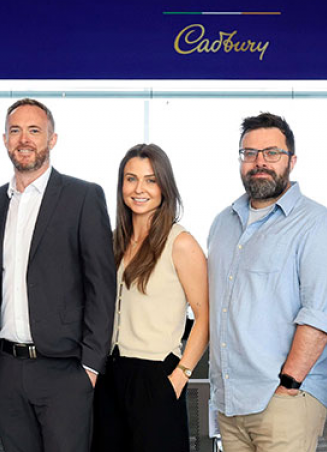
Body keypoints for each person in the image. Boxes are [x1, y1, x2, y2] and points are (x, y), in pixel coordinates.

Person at [0, 98, 115, 452]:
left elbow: (101, 287)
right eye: (15, 131)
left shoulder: (83, 197)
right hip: (8, 369)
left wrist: (90, 367)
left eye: (34, 131)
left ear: (52, 139)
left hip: (65, 370)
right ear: (5, 140)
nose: (24, 139)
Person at [207, 112, 327, 452]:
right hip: (231, 404)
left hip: (284, 400)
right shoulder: (222, 224)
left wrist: (289, 385)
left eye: (272, 153)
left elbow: (320, 314)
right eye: (250, 153)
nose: (260, 162)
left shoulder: (316, 224)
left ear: (291, 161)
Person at [91, 144, 209, 452]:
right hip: (111, 376)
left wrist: (180, 376)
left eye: (150, 180)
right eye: (131, 179)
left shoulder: (180, 243)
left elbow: (205, 317)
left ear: (164, 187)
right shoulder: (114, 242)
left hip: (156, 378)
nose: (139, 189)